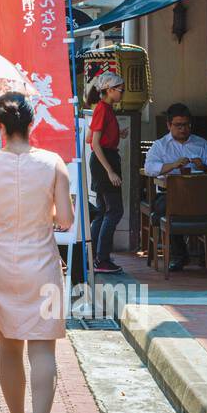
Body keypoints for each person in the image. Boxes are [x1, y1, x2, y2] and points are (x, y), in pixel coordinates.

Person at [0, 92, 73, 413]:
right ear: (32, 124)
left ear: (0, 126)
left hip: (0, 262)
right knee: (43, 348)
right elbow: (65, 220)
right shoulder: (53, 163)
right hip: (42, 262)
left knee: (8, 347)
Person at [144, 103, 207, 271]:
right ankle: (179, 255)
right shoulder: (160, 145)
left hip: (199, 196)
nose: (183, 129)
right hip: (169, 196)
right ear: (169, 125)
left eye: (186, 125)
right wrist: (172, 165)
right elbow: (150, 168)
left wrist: (204, 167)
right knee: (166, 208)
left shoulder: (201, 144)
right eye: (178, 125)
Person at [87, 71, 126, 275]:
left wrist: (116, 134)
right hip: (105, 161)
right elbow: (94, 143)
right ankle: (101, 258)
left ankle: (93, 256)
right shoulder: (103, 109)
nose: (123, 94)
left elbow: (90, 136)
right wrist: (110, 171)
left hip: (103, 160)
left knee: (103, 211)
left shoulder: (104, 109)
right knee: (114, 210)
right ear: (109, 90)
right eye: (121, 90)